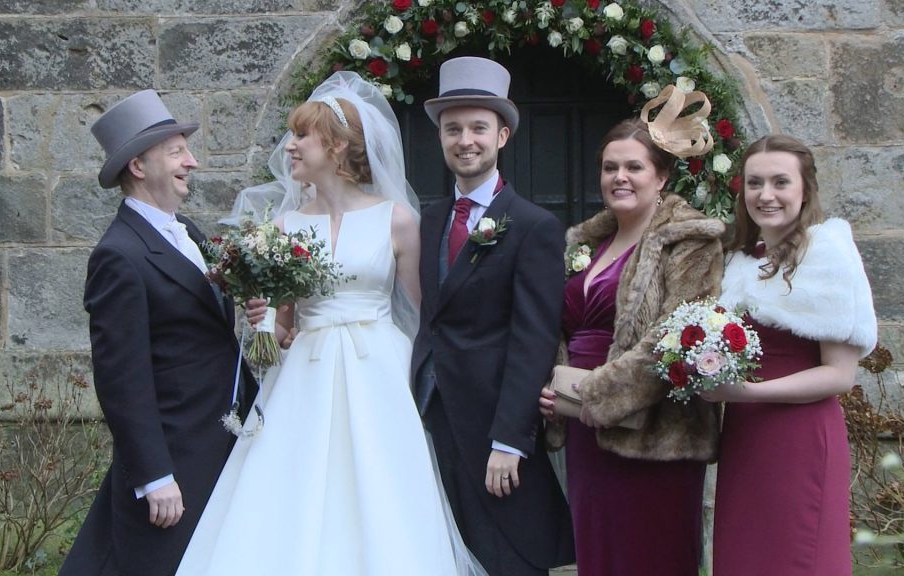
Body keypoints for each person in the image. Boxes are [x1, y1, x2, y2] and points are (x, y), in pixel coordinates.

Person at [175, 71, 486, 576]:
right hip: (305, 372)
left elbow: (425, 314)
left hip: (380, 371)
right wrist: (265, 323)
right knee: (293, 486)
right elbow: (280, 330)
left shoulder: (397, 220)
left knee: (383, 488)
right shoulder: (282, 228)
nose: (290, 147)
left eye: (302, 136)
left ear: (338, 146)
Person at [61, 90, 257, 576]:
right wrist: (153, 476)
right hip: (175, 454)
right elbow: (120, 378)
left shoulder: (186, 230)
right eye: (176, 152)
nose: (191, 161)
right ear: (138, 166)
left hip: (220, 435)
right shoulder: (119, 256)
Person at [538, 85, 726, 575]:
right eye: (610, 167)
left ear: (661, 176)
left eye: (634, 167)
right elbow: (560, 328)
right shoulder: (586, 244)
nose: (619, 177)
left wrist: (594, 394)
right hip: (586, 434)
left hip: (654, 439)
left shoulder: (689, 240)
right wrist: (553, 390)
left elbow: (675, 338)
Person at [411, 56, 575, 576]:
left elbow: (533, 339)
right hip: (433, 415)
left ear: (502, 135)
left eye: (478, 127)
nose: (465, 140)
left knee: (509, 557)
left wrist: (510, 440)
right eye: (452, 128)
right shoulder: (430, 218)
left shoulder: (533, 226)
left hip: (495, 426)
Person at [702, 134, 877, 576]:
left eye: (781, 182)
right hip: (746, 438)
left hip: (800, 435)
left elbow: (840, 376)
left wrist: (744, 391)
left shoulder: (827, 254)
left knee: (797, 558)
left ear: (805, 189)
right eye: (755, 183)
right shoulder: (740, 260)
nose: (766, 195)